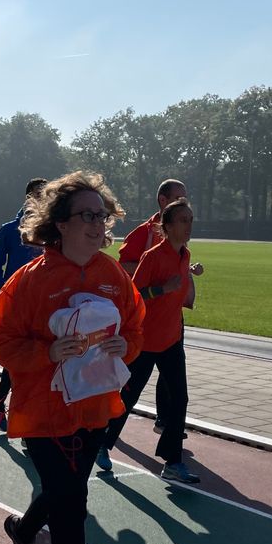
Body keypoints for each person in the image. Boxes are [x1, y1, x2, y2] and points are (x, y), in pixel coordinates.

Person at [0, 170, 143, 544]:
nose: (99, 224)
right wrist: (48, 352)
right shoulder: (29, 282)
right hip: (43, 414)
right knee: (73, 507)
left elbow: (135, 327)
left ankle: (24, 530)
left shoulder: (112, 275)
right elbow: (1, 343)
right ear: (60, 223)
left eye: (103, 215)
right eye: (88, 216)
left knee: (65, 493)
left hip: (95, 408)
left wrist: (125, 346)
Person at [99, 198, 199, 483]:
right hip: (144, 341)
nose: (189, 225)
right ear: (167, 226)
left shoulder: (185, 255)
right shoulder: (153, 256)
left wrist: (189, 279)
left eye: (191, 220)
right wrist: (162, 289)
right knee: (128, 396)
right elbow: (135, 296)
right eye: (183, 220)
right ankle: (103, 444)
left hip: (171, 340)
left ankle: (173, 461)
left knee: (179, 398)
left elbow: (180, 293)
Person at [116, 179, 204, 437]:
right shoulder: (145, 235)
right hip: (146, 328)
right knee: (131, 389)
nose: (183, 202)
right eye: (178, 197)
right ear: (163, 200)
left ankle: (168, 435)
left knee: (177, 391)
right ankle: (104, 438)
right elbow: (125, 268)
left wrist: (186, 272)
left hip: (171, 325)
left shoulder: (183, 242)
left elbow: (175, 267)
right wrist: (157, 279)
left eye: (185, 198)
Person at [0, 178, 46, 431]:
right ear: (28, 197)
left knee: (36, 357)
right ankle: (12, 409)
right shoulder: (10, 229)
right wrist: (2, 291)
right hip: (16, 302)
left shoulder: (50, 229)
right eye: (39, 195)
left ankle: (0, 401)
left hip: (43, 301)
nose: (43, 200)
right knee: (22, 356)